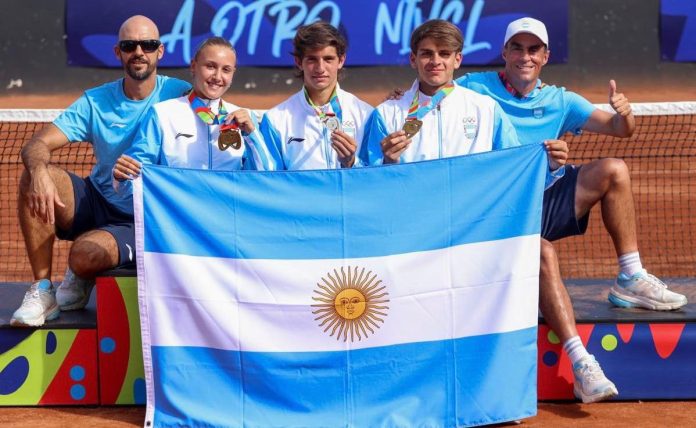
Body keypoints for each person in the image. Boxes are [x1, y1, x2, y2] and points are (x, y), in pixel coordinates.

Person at [455, 17, 687, 403]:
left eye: (533, 49)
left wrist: (625, 113)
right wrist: (406, 94)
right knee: (543, 254)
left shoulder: (561, 101)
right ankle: (581, 363)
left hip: (546, 200)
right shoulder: (473, 87)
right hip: (500, 211)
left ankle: (630, 277)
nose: (525, 57)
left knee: (614, 169)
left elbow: (620, 130)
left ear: (545, 56)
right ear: (505, 53)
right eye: (517, 48)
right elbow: (434, 91)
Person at [11, 15, 191, 327]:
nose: (139, 52)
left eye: (148, 45)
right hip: (96, 198)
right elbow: (36, 144)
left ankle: (81, 272)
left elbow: (217, 118)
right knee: (32, 176)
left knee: (83, 257)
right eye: (129, 45)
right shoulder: (95, 101)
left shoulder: (181, 94)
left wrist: (241, 122)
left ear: (160, 51)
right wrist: (39, 173)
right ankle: (42, 290)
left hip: (141, 216)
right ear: (118, 52)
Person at [360, 19, 567, 179]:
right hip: (415, 218)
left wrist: (551, 168)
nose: (435, 61)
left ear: (457, 59)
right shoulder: (387, 113)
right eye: (427, 54)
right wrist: (387, 162)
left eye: (444, 54)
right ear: (413, 59)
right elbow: (367, 181)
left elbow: (515, 171)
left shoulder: (486, 110)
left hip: (472, 220)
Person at [113, 38, 276, 183]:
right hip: (179, 208)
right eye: (210, 66)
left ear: (233, 74)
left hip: (226, 207)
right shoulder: (162, 114)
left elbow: (268, 177)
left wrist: (252, 134)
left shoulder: (244, 119)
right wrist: (121, 178)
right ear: (193, 66)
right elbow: (135, 176)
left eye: (226, 70)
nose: (217, 77)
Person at [260, 22, 373, 170]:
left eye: (328, 59)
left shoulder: (366, 114)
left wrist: (351, 163)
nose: (320, 68)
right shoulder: (275, 120)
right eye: (312, 59)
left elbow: (376, 176)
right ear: (299, 62)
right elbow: (271, 178)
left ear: (341, 61)